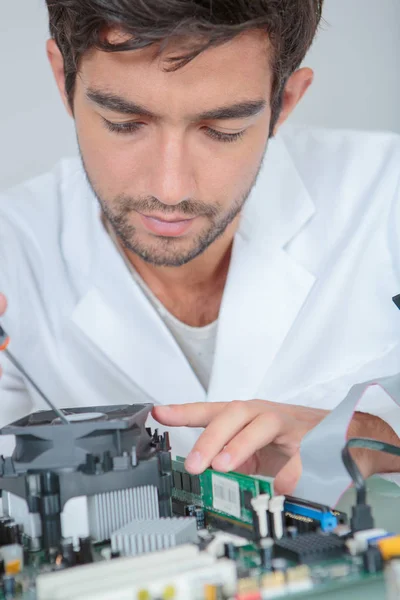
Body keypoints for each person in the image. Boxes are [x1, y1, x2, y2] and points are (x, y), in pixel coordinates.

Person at [1, 0, 400, 497]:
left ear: (286, 101)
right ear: (64, 79)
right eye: (125, 123)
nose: (170, 189)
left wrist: (378, 436)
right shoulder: (10, 249)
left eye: (221, 131)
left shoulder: (387, 196)